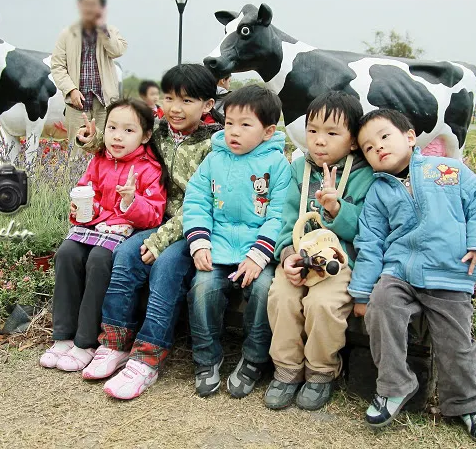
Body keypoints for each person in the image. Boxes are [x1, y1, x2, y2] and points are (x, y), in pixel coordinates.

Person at [352, 109, 476, 445]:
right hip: (399, 272)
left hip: (448, 272)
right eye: (367, 147)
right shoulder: (378, 192)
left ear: (409, 137)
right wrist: (362, 293)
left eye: (384, 137)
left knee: (456, 342)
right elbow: (371, 242)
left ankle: (467, 404)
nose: (377, 147)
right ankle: (395, 386)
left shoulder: (446, 169)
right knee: (381, 307)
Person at [77, 64, 223, 399]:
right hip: (157, 220)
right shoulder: (158, 133)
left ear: (207, 106)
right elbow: (126, 139)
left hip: (194, 228)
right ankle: (114, 343)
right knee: (126, 256)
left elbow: (202, 204)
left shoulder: (212, 146)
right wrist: (91, 139)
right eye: (169, 97)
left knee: (167, 267)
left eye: (186, 100)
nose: (175, 107)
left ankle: (147, 357)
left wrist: (160, 240)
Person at [265, 91, 375, 411]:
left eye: (332, 133)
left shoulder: (365, 175)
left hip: (340, 262)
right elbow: (285, 218)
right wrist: (287, 256)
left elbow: (369, 230)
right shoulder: (299, 168)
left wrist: (338, 211)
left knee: (324, 304)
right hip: (301, 257)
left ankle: (321, 370)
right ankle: (286, 369)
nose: (319, 141)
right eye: (313, 130)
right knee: (281, 297)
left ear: (353, 140)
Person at [40, 99, 167, 372]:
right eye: (112, 128)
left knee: (99, 260)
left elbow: (155, 215)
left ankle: (85, 341)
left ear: (145, 136)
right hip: (95, 226)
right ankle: (63, 335)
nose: (117, 136)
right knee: (67, 253)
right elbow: (87, 193)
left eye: (128, 131)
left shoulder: (149, 168)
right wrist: (80, 207)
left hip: (125, 229)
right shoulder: (100, 160)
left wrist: (131, 201)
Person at [184, 85, 292, 398]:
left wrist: (259, 255)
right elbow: (197, 201)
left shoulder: (277, 166)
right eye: (229, 122)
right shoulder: (214, 160)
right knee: (202, 288)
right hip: (216, 247)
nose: (234, 132)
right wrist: (200, 241)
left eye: (246, 125)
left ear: (268, 131)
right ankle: (206, 358)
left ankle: (254, 359)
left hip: (258, 253)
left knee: (262, 290)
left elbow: (279, 215)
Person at [51, 0, 128, 159]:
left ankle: (101, 185)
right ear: (79, 7)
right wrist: (70, 89)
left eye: (94, 5)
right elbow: (57, 66)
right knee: (76, 151)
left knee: (104, 149)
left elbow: (117, 51)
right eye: (86, 4)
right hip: (77, 103)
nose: (90, 9)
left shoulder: (111, 31)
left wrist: (103, 30)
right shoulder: (66, 34)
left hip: (104, 102)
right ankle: (74, 185)